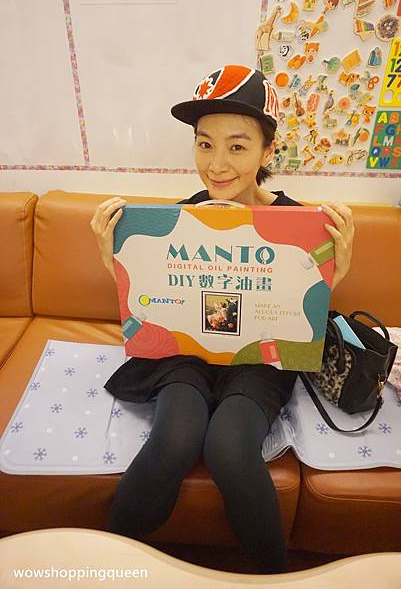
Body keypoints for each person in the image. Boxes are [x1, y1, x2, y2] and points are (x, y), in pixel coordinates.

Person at [90, 64, 354, 574]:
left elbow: (301, 314)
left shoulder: (300, 225)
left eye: (237, 146)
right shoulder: (180, 219)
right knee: (176, 435)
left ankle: (274, 579)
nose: (216, 165)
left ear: (267, 151)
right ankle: (101, 571)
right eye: (204, 144)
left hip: (261, 356)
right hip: (187, 353)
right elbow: (153, 303)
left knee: (230, 446)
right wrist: (114, 259)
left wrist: (332, 275)